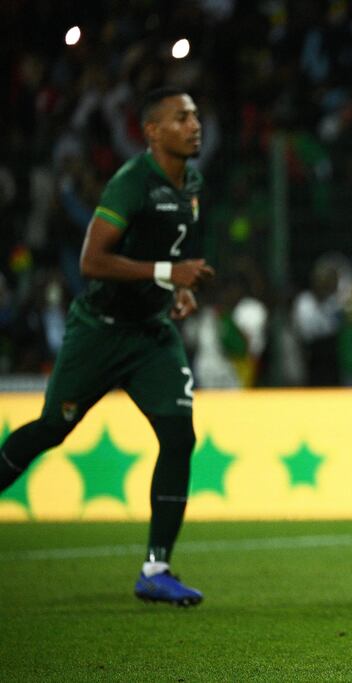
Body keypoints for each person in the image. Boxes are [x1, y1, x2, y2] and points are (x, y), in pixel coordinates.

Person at [0, 87, 215, 606]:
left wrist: (177, 289)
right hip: (100, 329)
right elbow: (92, 261)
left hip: (151, 335)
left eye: (195, 116)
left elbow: (166, 249)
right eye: (181, 118)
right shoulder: (130, 184)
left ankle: (156, 568)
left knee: (179, 437)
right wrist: (169, 272)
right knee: (54, 427)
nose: (195, 124)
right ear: (153, 131)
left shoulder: (191, 182)